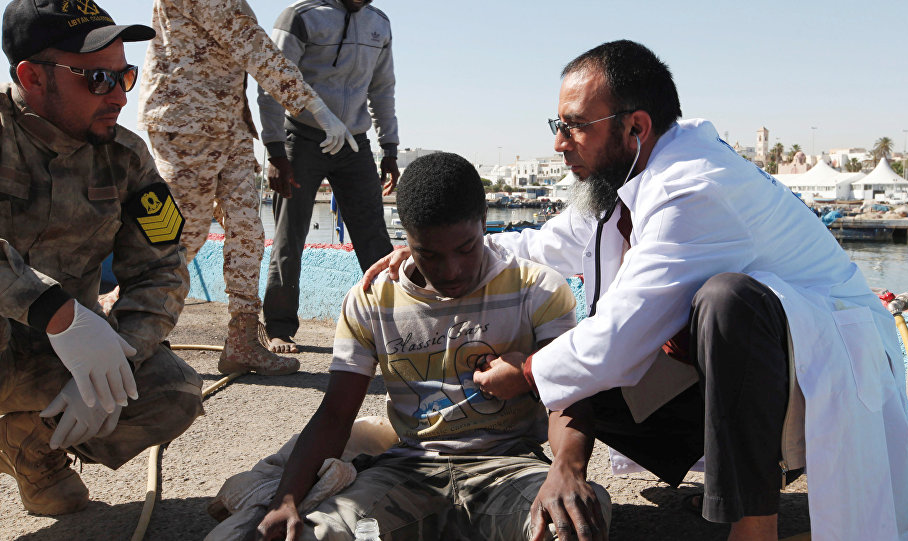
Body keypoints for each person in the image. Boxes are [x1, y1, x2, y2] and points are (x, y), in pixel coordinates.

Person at [364, 41, 908, 540]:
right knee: (579, 363)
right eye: (556, 124)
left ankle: (755, 527)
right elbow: (540, 245)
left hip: (820, 383)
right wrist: (437, 250)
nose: (559, 142)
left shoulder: (694, 190)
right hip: (752, 383)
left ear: (635, 127)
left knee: (727, 302)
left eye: (576, 125)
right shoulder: (626, 180)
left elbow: (620, 337)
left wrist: (527, 372)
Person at [251, 152, 610, 541]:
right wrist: (285, 499)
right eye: (430, 254)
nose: (452, 271)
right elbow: (336, 413)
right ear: (405, 236)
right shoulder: (371, 300)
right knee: (315, 534)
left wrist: (567, 471)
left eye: (466, 249)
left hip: (511, 467)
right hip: (406, 473)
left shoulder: (537, 288)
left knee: (571, 525)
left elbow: (566, 395)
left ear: (484, 220)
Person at [0, 0, 202, 515]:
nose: (117, 96)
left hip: (57, 360)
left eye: (124, 76)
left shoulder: (126, 158)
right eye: (96, 79)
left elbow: (163, 266)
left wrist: (118, 357)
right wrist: (59, 314)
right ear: (33, 77)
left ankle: (33, 444)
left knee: (172, 390)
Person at [137, 0, 351, 376]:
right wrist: (316, 107)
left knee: (249, 232)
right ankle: (131, 327)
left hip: (230, 125)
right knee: (182, 236)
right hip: (186, 121)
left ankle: (243, 341)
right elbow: (251, 44)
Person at [258, 0, 398, 355]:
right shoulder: (301, 16)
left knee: (374, 238)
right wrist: (275, 150)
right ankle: (279, 327)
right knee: (289, 238)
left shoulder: (378, 23)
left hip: (354, 143)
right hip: (301, 138)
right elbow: (271, 80)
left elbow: (382, 89)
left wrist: (390, 148)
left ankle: (394, 324)